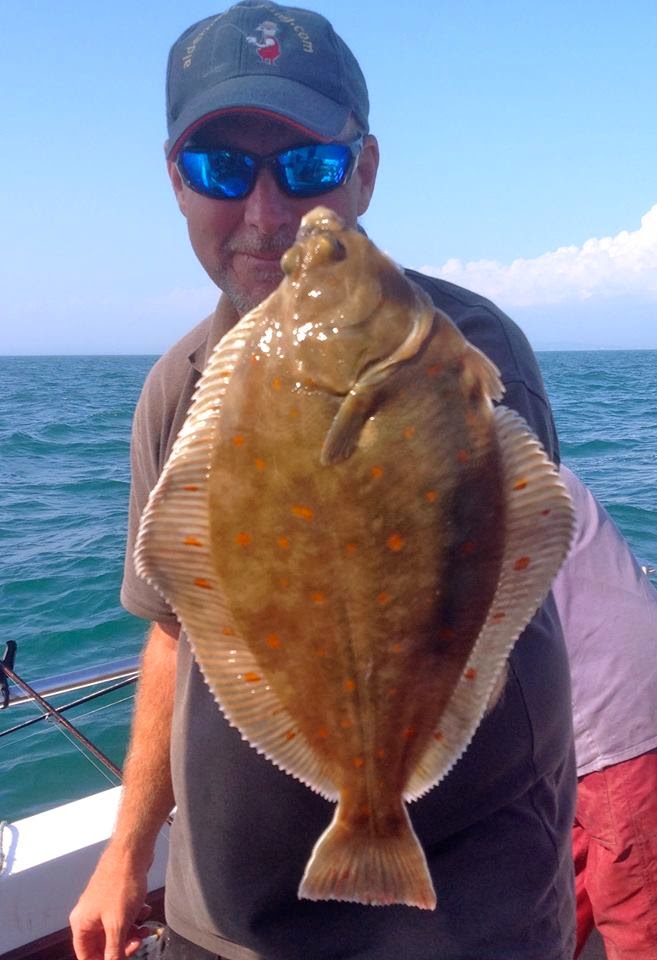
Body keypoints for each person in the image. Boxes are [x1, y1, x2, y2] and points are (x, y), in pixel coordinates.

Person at [70, 3, 577, 959]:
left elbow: (497, 566)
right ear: (177, 182)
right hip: (228, 922)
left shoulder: (468, 355)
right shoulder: (175, 390)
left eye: (307, 168)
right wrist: (126, 849)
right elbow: (175, 630)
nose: (270, 218)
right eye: (222, 169)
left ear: (364, 171)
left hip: (461, 923)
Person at [553, 466, 657, 959]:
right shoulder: (532, 457)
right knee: (554, 896)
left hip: (615, 718)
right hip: (565, 723)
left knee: (638, 909)